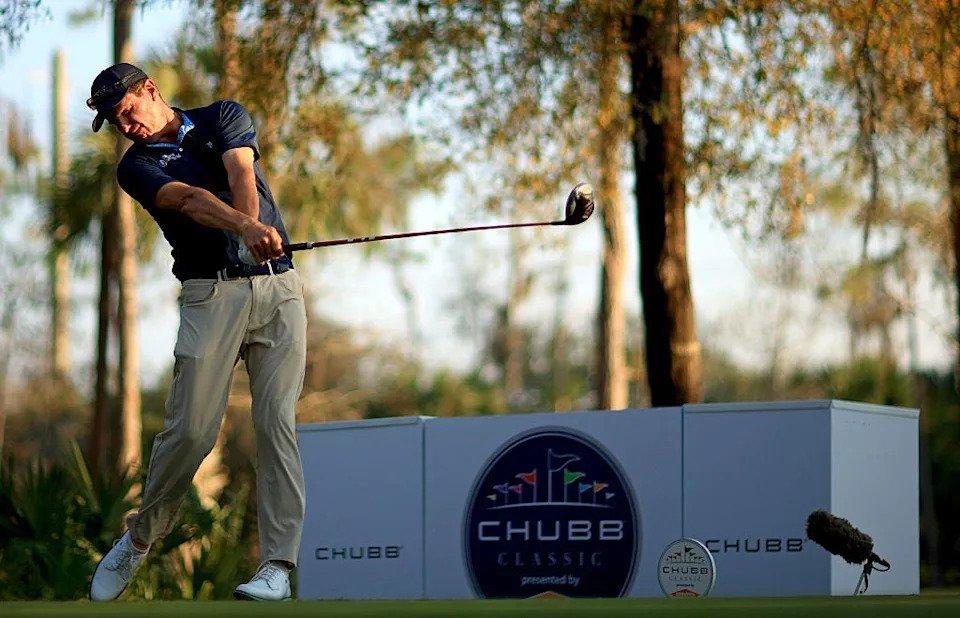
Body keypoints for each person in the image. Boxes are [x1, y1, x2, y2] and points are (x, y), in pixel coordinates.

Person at [85, 63, 307, 602]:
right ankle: (139, 539)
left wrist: (253, 230)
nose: (125, 127)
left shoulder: (222, 117)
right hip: (211, 295)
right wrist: (248, 228)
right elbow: (187, 200)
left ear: (150, 90)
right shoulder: (136, 167)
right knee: (191, 433)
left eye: (127, 112)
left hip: (279, 290)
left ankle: (277, 565)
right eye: (115, 122)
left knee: (276, 423)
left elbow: (240, 173)